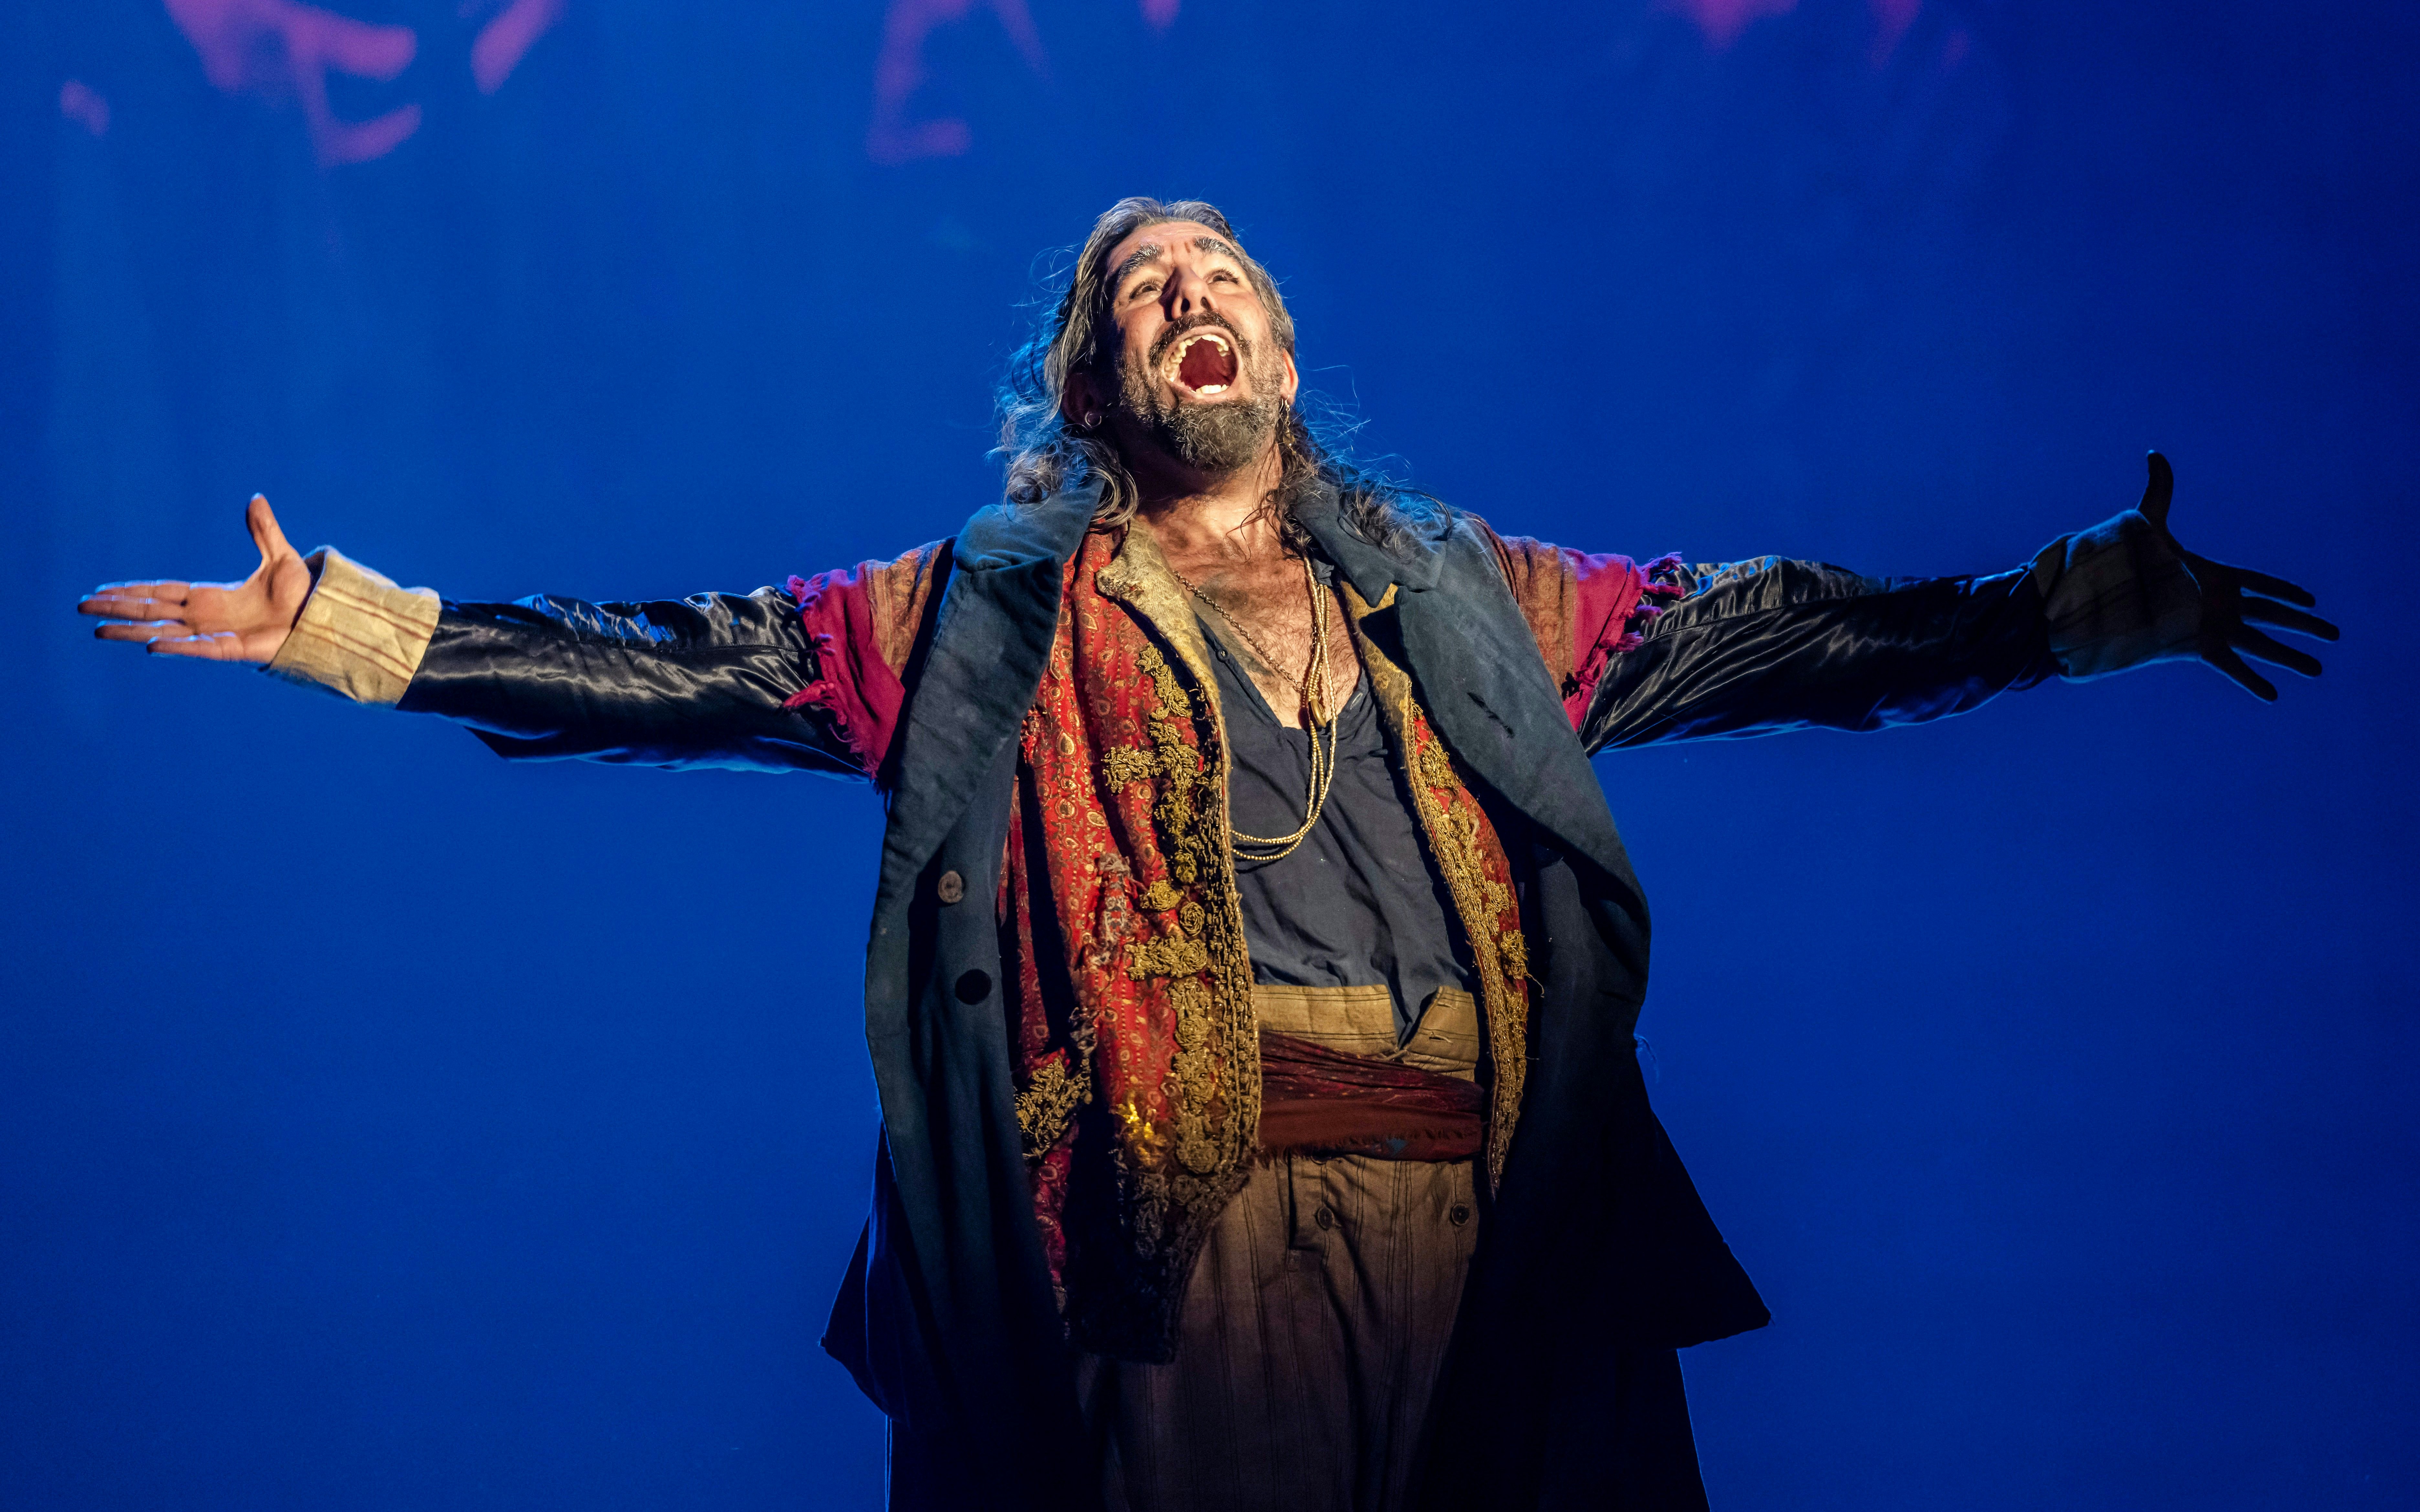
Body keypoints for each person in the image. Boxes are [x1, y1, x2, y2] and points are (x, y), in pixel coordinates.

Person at [77, 196, 2337, 1512]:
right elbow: (697, 664)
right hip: (1180, 1267)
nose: (1191, 294)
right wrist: (361, 629)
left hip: (1485, 1244)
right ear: (1095, 389)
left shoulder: (1462, 597)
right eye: (1143, 287)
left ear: (1281, 345)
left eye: (1221, 269)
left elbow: (1759, 633)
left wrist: (2052, 612)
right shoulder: (988, 620)